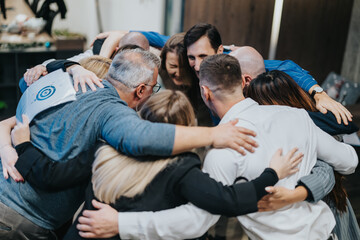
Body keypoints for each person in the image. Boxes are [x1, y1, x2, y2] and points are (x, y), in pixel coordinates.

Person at [77, 54, 358, 239]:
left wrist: (121, 225)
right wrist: (303, 182)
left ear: (205, 92)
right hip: (327, 233)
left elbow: (196, 222)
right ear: (242, 83)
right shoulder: (296, 117)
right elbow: (348, 161)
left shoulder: (222, 152)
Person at [0, 50, 258, 239]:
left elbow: (28, 82)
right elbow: (142, 137)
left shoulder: (69, 80)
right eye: (154, 87)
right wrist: (213, 135)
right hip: (23, 219)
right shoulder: (111, 113)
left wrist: (70, 65)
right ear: (141, 91)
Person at [9, 90, 302, 240]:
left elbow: (50, 176)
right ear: (188, 125)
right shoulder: (183, 170)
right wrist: (273, 172)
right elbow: (229, 200)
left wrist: (22, 144)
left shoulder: (106, 147)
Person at [245, 70, 360, 240]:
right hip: (317, 217)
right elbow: (348, 161)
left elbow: (349, 161)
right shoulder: (308, 123)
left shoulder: (302, 124)